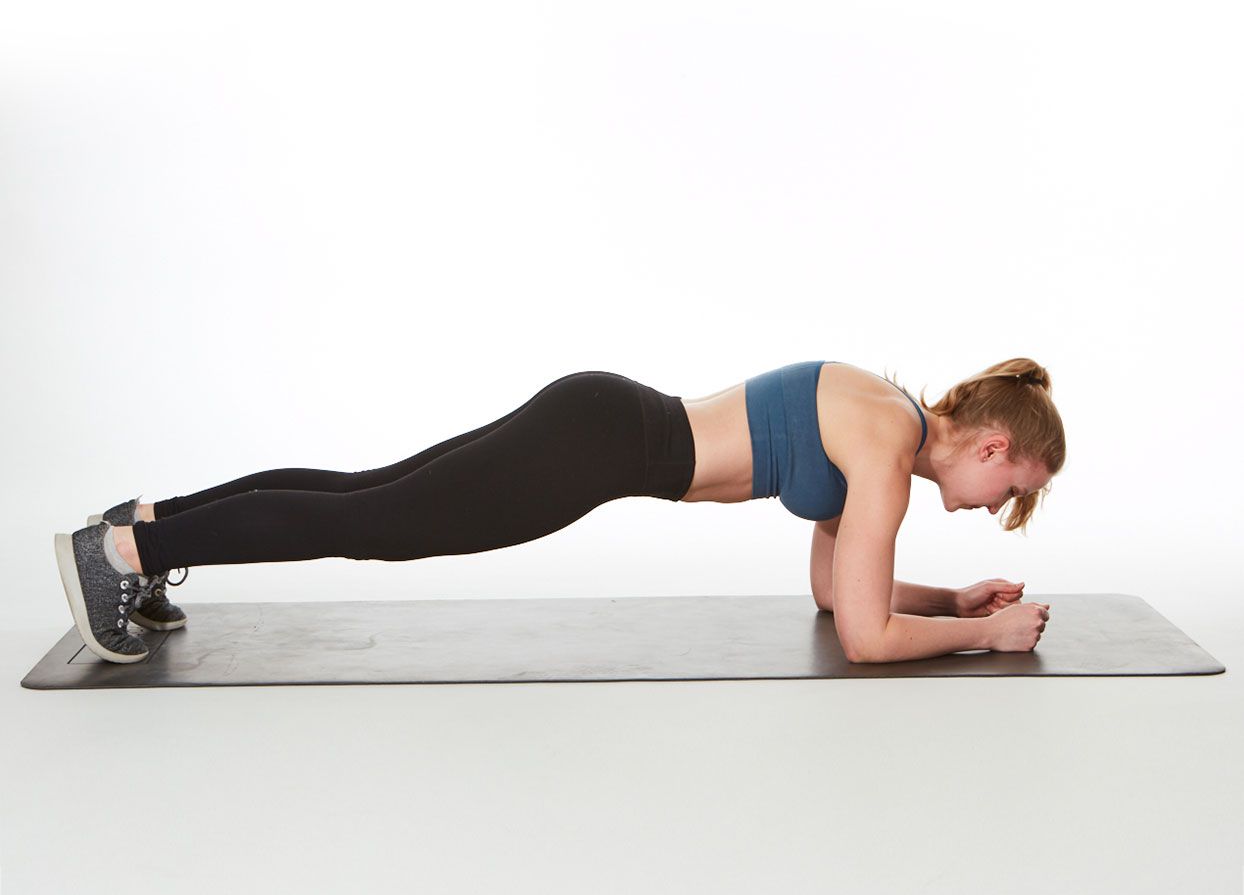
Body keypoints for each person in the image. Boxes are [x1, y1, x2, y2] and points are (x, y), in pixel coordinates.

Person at [54, 358, 1065, 666]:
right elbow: (859, 635)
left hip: (599, 420)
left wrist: (943, 593)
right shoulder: (884, 453)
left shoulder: (877, 412)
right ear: (988, 446)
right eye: (1009, 488)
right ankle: (122, 548)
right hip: (594, 446)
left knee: (367, 494)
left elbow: (827, 591)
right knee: (372, 521)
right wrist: (983, 632)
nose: (995, 507)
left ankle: (147, 522)